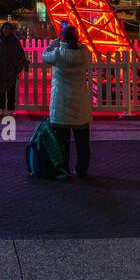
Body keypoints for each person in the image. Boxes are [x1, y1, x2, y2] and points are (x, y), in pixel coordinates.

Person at [41, 24, 93, 177]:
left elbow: (44, 55)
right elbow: (83, 51)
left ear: (62, 37)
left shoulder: (57, 54)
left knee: (61, 143)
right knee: (83, 143)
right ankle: (82, 170)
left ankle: (63, 169)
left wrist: (55, 42)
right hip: (80, 103)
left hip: (61, 103)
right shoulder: (84, 53)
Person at [0, 22, 28, 116]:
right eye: (5, 29)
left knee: (11, 91)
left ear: (11, 30)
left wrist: (19, 65)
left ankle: (10, 110)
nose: (6, 31)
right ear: (2, 30)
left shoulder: (15, 41)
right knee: (0, 91)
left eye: (9, 29)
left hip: (11, 70)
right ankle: (1, 109)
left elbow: (20, 54)